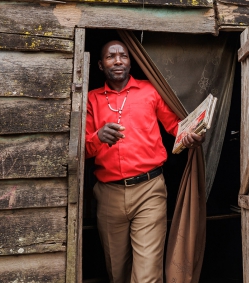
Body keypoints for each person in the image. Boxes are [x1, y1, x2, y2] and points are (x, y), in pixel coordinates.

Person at [85, 40, 204, 283]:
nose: (118, 61)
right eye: (111, 57)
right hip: (108, 194)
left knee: (147, 275)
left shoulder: (150, 90)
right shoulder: (91, 99)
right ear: (100, 64)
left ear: (130, 62)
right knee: (117, 272)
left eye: (123, 56)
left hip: (149, 190)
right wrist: (98, 137)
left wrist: (190, 134)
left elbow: (174, 126)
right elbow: (83, 150)